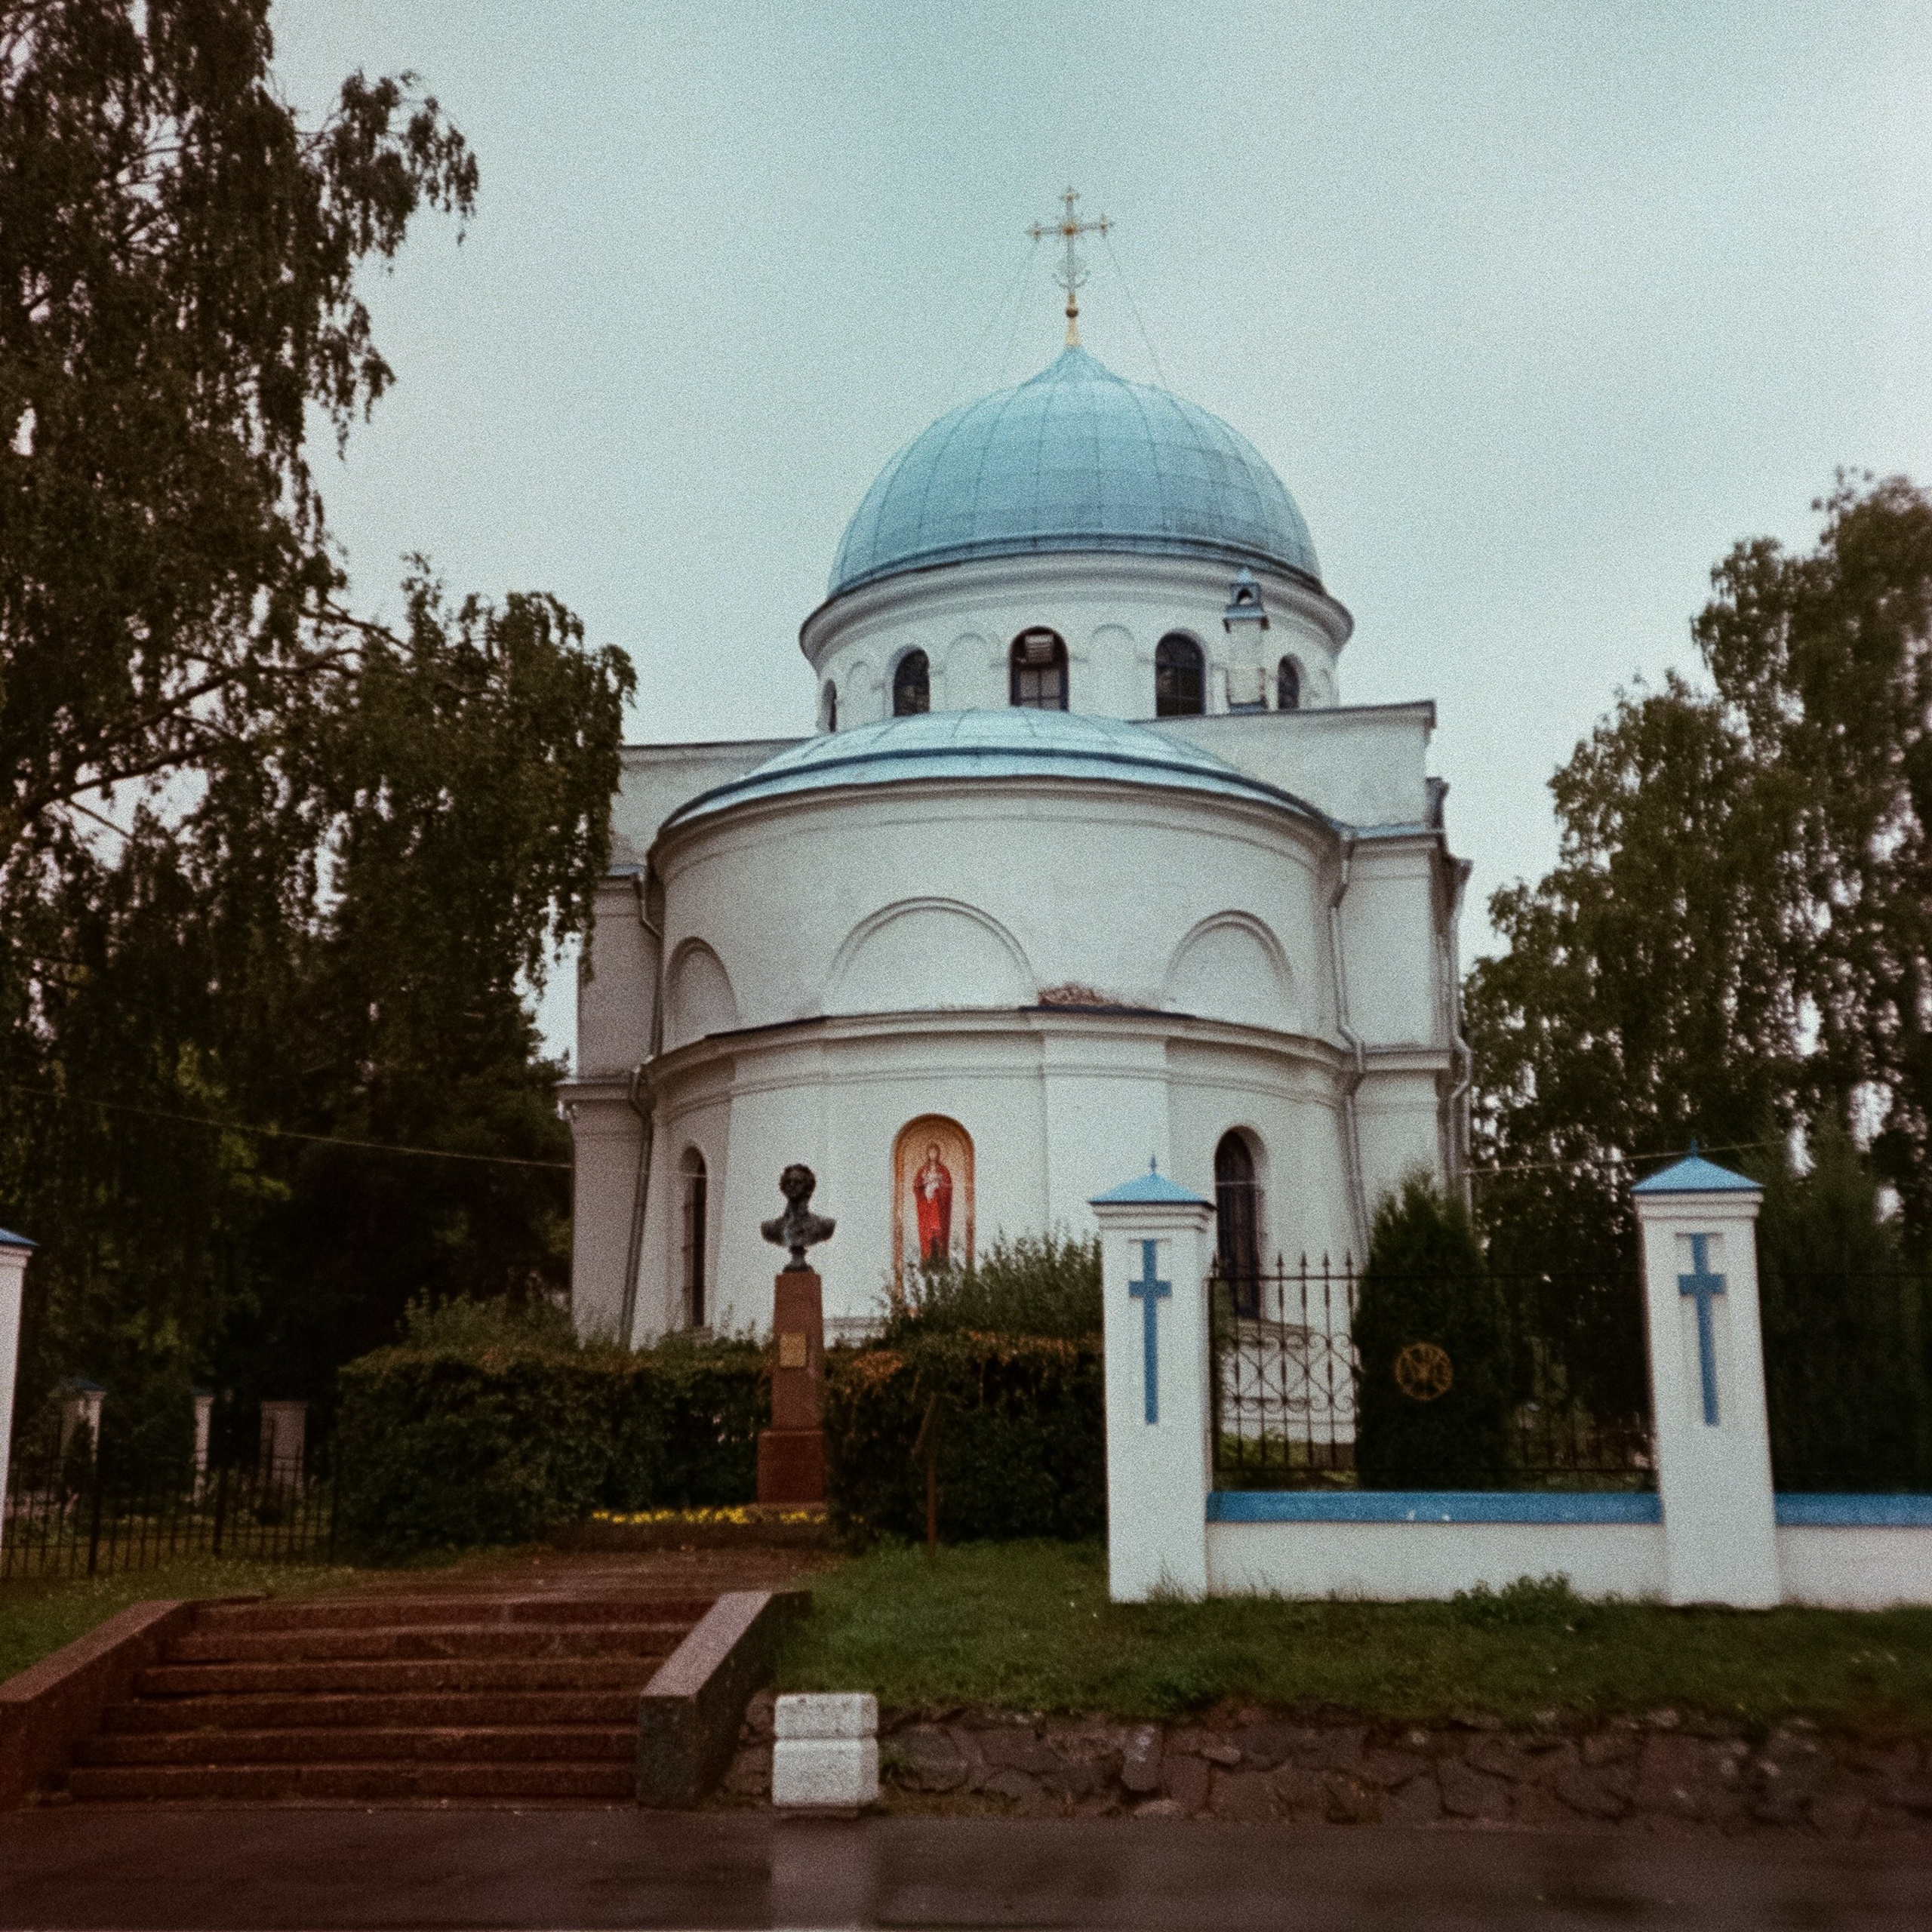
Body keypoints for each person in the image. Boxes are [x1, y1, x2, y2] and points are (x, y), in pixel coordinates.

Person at [913, 1142, 952, 1263]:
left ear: (939, 1154)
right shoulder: (922, 1171)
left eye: (935, 1152)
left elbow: (949, 1187)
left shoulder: (943, 1170)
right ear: (927, 1154)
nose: (933, 1155)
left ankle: (940, 1258)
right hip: (926, 1207)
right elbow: (916, 1187)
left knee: (938, 1231)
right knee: (927, 1232)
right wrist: (925, 1184)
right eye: (931, 1152)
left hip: (938, 1206)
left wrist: (939, 1187)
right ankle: (927, 1257)